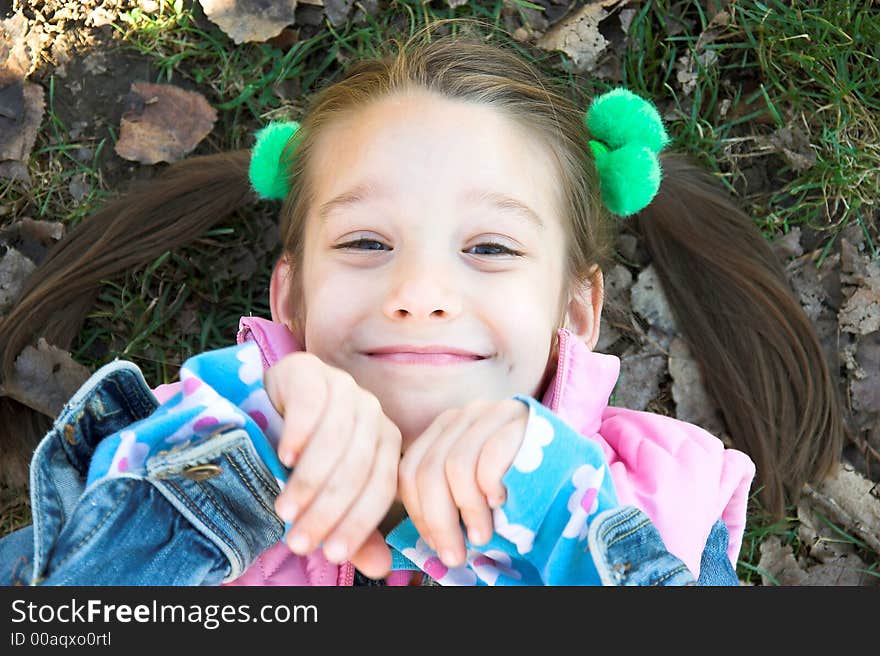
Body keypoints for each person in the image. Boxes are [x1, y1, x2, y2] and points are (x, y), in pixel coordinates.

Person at [0, 19, 847, 586]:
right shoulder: (179, 446)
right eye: (367, 244)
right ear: (291, 296)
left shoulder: (656, 501)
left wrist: (556, 512)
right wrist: (252, 458)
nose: (418, 296)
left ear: (574, 314)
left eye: (490, 249)